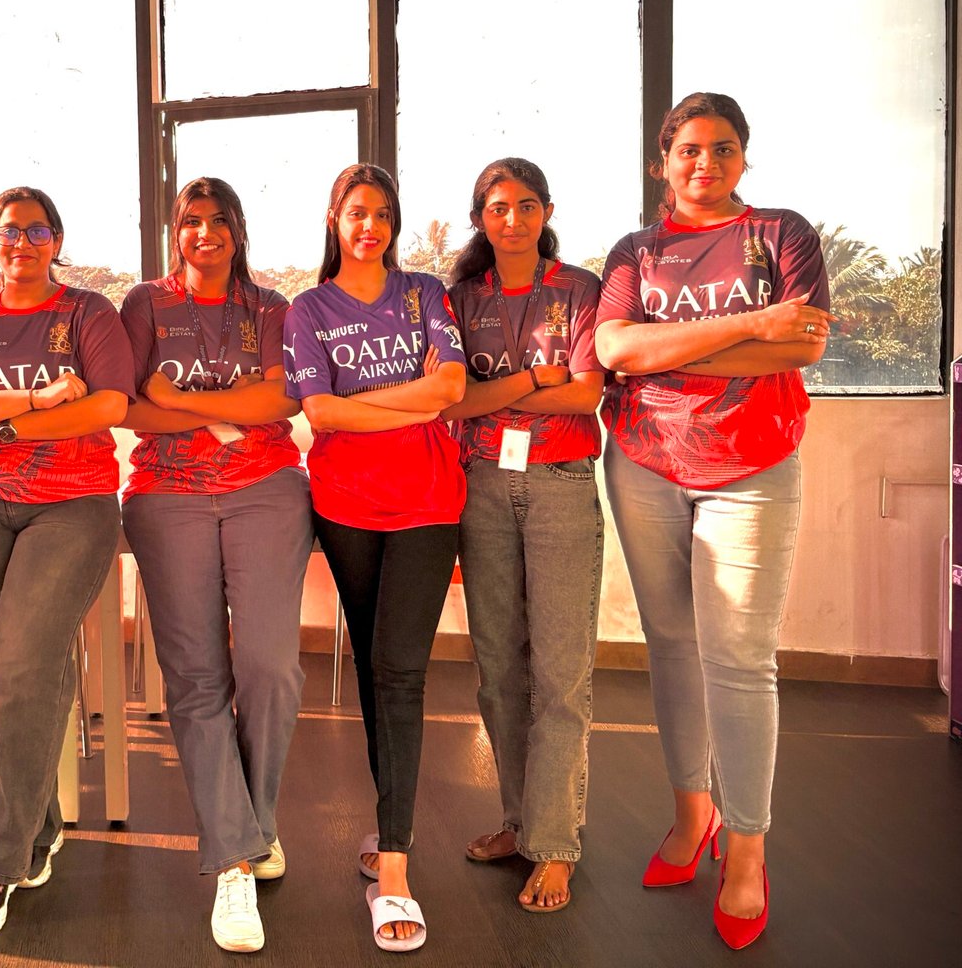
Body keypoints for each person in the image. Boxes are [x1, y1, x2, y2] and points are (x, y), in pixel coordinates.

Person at [594, 92, 830, 950]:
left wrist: (673, 344)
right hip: (644, 463)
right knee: (671, 644)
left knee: (739, 660)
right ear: (663, 161)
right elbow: (616, 350)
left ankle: (747, 851)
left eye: (723, 148)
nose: (705, 162)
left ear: (744, 158)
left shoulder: (781, 235)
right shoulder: (636, 251)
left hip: (753, 466)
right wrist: (753, 325)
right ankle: (693, 818)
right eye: (688, 149)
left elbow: (803, 346)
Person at [0, 186, 132, 945]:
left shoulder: (88, 313)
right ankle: (38, 826)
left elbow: (107, 407)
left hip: (71, 503)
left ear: (56, 242)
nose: (22, 243)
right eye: (9, 231)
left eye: (38, 232)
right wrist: (42, 401)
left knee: (20, 667)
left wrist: (2, 424)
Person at [118, 177, 311, 954]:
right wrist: (230, 401)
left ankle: (252, 821)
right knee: (197, 678)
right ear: (176, 233)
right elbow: (126, 406)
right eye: (191, 221)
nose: (205, 233)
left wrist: (177, 398)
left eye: (218, 219)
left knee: (270, 667)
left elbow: (283, 403)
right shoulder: (144, 304)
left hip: (266, 489)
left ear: (238, 229)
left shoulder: (270, 308)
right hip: (167, 495)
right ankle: (235, 859)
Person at [282, 163, 467, 954]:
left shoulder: (424, 294)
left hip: (428, 500)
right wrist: (404, 400)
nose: (371, 226)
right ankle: (389, 826)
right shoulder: (307, 309)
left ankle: (393, 867)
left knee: (399, 672)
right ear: (335, 220)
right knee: (373, 669)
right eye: (357, 213)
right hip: (346, 506)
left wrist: (359, 406)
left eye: (383, 214)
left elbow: (451, 388)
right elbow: (317, 412)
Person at [441, 158, 606, 914]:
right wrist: (535, 381)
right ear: (481, 217)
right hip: (480, 485)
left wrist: (495, 395)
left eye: (527, 205)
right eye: (498, 207)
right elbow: (452, 402)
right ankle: (520, 821)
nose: (513, 219)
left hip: (561, 482)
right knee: (499, 671)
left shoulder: (579, 289)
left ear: (546, 213)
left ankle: (556, 845)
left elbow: (585, 392)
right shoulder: (459, 300)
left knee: (560, 674)